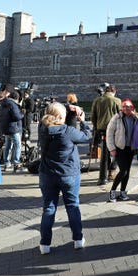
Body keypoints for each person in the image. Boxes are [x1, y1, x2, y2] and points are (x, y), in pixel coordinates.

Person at [37, 102, 92, 255]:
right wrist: (82, 120)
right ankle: (78, 239)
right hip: (68, 174)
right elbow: (87, 136)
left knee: (48, 207)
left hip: (47, 174)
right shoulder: (68, 131)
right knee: (72, 206)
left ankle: (45, 244)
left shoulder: (42, 128)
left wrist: (65, 110)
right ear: (61, 117)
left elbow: (52, 119)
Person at [106, 99, 138, 202]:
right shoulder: (117, 118)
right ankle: (112, 191)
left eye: (128, 106)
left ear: (132, 108)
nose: (126, 108)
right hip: (120, 148)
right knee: (123, 171)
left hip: (130, 148)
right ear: (121, 108)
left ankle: (123, 192)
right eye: (124, 106)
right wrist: (111, 148)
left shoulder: (134, 118)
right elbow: (109, 133)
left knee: (127, 172)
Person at [91, 84, 121, 184]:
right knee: (119, 151)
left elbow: (93, 117)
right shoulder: (116, 101)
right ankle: (112, 170)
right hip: (113, 130)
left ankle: (104, 176)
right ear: (114, 91)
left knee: (105, 152)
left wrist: (96, 127)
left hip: (101, 129)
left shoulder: (97, 100)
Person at [0, 90, 24, 172]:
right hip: (13, 128)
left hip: (5, 128)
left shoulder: (3, 104)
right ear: (17, 98)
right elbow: (16, 117)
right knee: (18, 145)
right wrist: (22, 114)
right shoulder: (13, 104)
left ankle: (7, 163)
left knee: (8, 146)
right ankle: (16, 163)